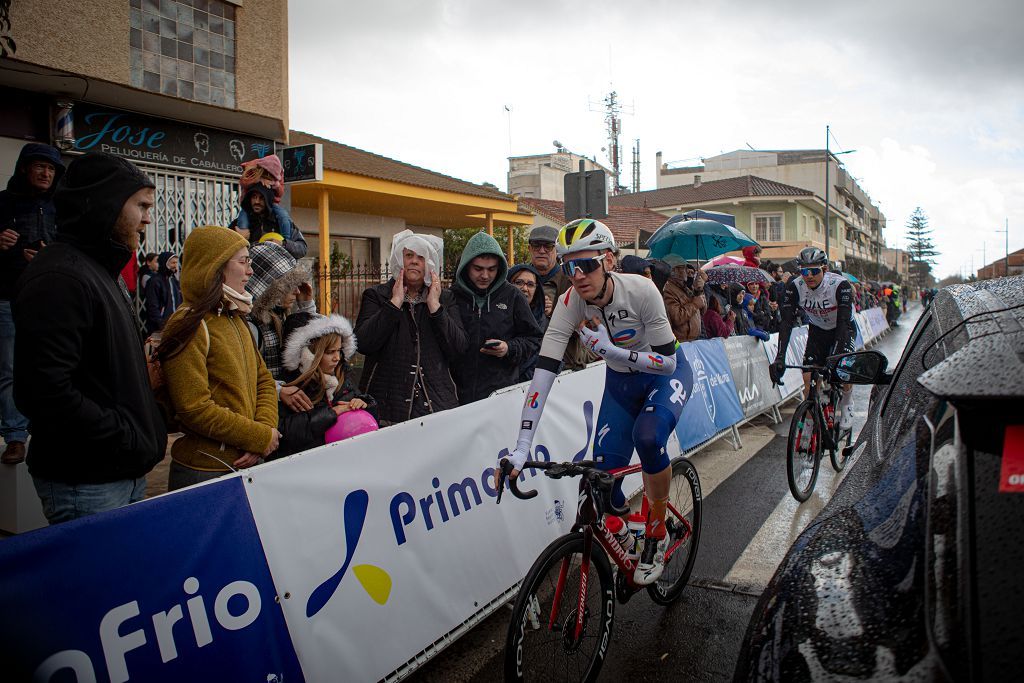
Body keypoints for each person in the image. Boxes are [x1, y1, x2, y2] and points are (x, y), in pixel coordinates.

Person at [499, 219, 694, 586]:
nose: (577, 276)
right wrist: (522, 446)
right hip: (621, 384)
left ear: (608, 260)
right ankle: (624, 536)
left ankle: (656, 532)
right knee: (601, 484)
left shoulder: (642, 291)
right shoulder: (570, 303)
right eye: (569, 266)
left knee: (649, 437)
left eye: (586, 265)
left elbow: (668, 362)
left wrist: (612, 351)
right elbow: (544, 373)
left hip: (665, 374)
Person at [13, 152, 167, 522]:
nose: (149, 217)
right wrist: (126, 436)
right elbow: (43, 391)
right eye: (141, 205)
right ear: (107, 204)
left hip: (117, 474)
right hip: (87, 482)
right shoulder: (61, 278)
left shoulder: (100, 271)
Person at [157, 226, 280, 491]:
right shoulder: (189, 322)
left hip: (244, 466)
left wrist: (264, 433)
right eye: (243, 261)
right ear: (215, 266)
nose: (250, 270)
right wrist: (257, 437)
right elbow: (194, 407)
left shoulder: (236, 317)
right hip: (204, 472)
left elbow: (265, 382)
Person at [355, 230, 467, 425]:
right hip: (387, 406)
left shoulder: (445, 298)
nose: (414, 261)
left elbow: (458, 347)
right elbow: (364, 343)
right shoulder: (376, 296)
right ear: (400, 260)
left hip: (436, 403)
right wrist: (394, 303)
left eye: (421, 257)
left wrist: (435, 307)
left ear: (430, 263)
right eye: (409, 255)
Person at [0, 143, 65, 465]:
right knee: (10, 366)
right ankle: (14, 436)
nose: (45, 173)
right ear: (25, 168)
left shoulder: (59, 206)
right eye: (40, 166)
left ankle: (51, 426)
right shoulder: (3, 202)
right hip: (9, 295)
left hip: (51, 298)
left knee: (54, 362)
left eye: (51, 169)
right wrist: (6, 248)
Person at [769, 247, 857, 429]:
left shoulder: (840, 285)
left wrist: (837, 356)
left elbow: (842, 323)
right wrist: (780, 357)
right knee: (809, 379)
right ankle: (810, 423)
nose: (809, 276)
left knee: (842, 371)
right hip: (818, 330)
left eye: (814, 271)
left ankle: (847, 402)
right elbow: (785, 323)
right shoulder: (795, 286)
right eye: (804, 271)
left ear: (824, 269)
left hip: (843, 328)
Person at [450, 232, 542, 404]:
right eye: (478, 269)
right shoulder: (451, 296)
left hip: (501, 396)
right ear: (466, 266)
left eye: (491, 269)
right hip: (457, 396)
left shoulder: (513, 295)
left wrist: (509, 348)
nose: (485, 275)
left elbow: (534, 339)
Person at [275, 312, 377, 458]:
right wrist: (332, 414)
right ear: (308, 355)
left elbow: (367, 417)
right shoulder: (290, 387)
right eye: (330, 352)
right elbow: (284, 432)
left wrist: (364, 403)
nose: (337, 358)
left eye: (339, 351)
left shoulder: (341, 378)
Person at [245, 241, 313, 381]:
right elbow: (247, 377)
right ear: (270, 289)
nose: (297, 291)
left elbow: (314, 341)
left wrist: (306, 305)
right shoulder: (250, 325)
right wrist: (279, 391)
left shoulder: (280, 316)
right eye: (289, 286)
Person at [229, 184, 308, 259]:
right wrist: (239, 240)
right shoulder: (240, 224)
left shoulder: (281, 222)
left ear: (268, 200)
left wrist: (283, 244)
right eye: (254, 197)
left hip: (277, 270)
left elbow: (302, 249)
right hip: (250, 271)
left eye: (261, 198)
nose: (257, 201)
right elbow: (224, 250)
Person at [507, 264, 550, 381]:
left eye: (530, 284)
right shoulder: (496, 316)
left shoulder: (545, 323)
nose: (524, 288)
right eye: (519, 282)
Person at [662, 263, 707, 342]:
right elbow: (676, 318)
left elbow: (703, 311)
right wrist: (695, 304)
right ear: (674, 271)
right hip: (681, 341)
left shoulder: (686, 287)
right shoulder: (668, 289)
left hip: (694, 340)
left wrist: (698, 290)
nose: (686, 272)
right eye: (683, 268)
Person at [143, 251, 183, 335]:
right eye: (173, 263)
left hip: (174, 327)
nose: (175, 265)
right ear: (165, 263)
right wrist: (161, 325)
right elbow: (153, 307)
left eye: (176, 263)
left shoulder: (173, 280)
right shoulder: (154, 281)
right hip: (160, 329)